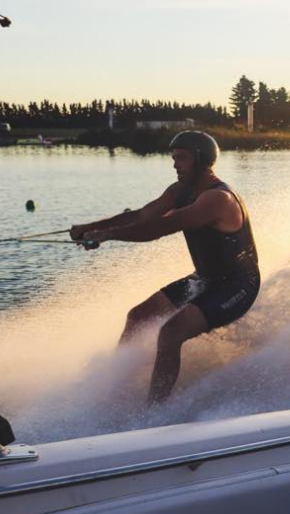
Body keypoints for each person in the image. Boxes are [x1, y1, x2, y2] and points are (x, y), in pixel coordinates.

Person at [70, 131, 260, 403]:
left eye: (181, 158)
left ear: (201, 159)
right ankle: (113, 390)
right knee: (138, 316)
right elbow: (141, 215)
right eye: (173, 158)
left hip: (238, 285)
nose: (174, 165)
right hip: (205, 279)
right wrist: (92, 227)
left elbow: (160, 226)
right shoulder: (179, 191)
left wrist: (108, 236)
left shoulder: (217, 199)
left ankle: (154, 412)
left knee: (170, 333)